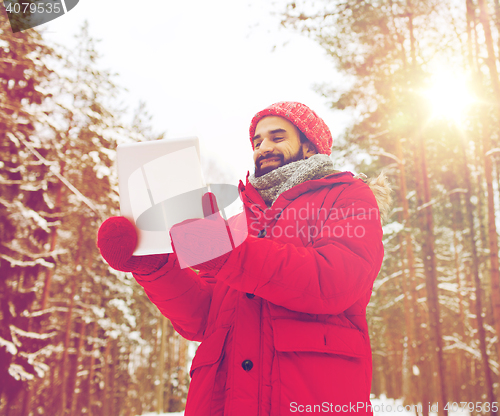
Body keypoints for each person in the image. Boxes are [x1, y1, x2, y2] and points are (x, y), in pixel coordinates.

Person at [97, 101, 391, 415]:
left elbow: (335, 280)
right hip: (223, 400)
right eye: (257, 141)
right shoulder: (236, 215)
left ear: (309, 146)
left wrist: (229, 254)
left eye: (277, 137)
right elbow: (204, 319)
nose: (264, 146)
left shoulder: (347, 195)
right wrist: (154, 267)